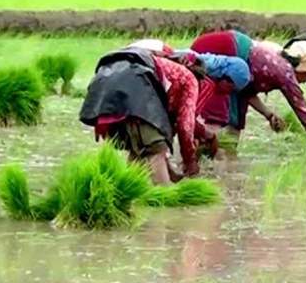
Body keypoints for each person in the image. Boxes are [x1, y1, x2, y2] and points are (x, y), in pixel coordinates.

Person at [79, 45, 209, 184]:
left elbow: (155, 134)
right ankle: (164, 200)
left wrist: (171, 171)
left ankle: (127, 194)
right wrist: (190, 161)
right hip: (134, 89)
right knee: (155, 151)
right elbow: (185, 126)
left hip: (103, 89)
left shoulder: (160, 64)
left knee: (138, 150)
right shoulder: (189, 78)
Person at [189, 29, 255, 131]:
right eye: (231, 89)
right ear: (227, 79)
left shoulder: (208, 72)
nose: (228, 93)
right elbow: (187, 116)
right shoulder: (201, 76)